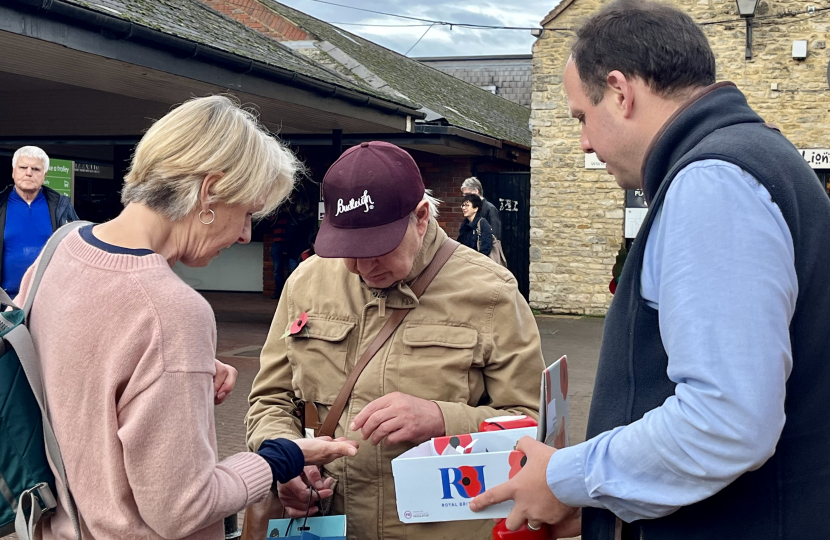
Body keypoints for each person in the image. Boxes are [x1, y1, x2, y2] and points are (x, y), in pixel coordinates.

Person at [470, 1, 830, 539]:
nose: (585, 142)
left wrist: (567, 477)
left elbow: (726, 423)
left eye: (581, 118)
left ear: (620, 92)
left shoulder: (713, 181)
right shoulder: (749, 159)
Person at [16, 96, 358, 540]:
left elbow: (63, 374)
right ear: (209, 191)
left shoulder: (62, 246)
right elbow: (181, 508)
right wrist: (282, 457)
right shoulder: (171, 311)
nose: (244, 234)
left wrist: (172, 370)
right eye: (248, 212)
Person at [246, 141, 543, 540]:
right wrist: (288, 458)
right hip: (329, 526)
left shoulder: (492, 292)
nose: (362, 267)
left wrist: (441, 419)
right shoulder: (306, 281)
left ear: (421, 217)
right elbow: (270, 399)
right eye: (348, 250)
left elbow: (535, 425)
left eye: (378, 248)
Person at [0, 146, 78, 296]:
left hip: (48, 300)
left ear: (44, 175)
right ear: (13, 172)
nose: (29, 173)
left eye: (36, 169)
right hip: (5, 302)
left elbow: (76, 248)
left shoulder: (61, 207)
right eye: (23, 167)